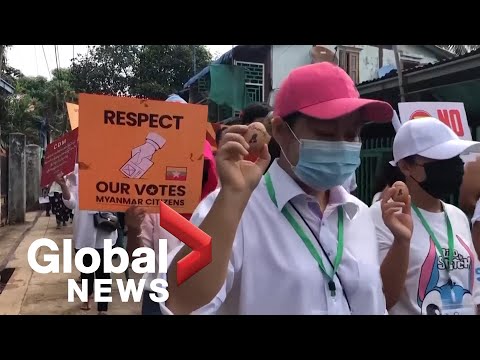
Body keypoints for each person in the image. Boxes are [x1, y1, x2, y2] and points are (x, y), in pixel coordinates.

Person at [161, 62, 400, 315]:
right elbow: (182, 303)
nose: (341, 146)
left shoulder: (359, 215)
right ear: (280, 131)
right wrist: (232, 198)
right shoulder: (231, 209)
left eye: (352, 136)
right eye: (326, 134)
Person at [370, 117, 480, 315]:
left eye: (455, 157)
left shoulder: (457, 216)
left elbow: (474, 288)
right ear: (405, 166)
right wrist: (401, 242)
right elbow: (381, 298)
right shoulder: (381, 216)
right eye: (439, 159)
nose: (453, 166)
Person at [58, 165, 118, 314]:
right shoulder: (74, 173)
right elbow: (70, 203)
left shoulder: (111, 170)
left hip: (104, 231)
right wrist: (64, 186)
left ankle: (103, 308)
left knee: (103, 272)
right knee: (86, 271)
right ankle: (87, 297)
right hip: (84, 232)